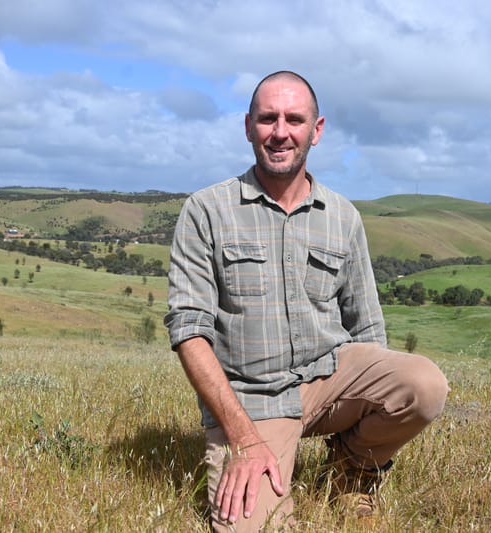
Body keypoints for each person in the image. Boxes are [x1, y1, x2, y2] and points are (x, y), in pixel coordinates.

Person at [164, 70, 449, 532]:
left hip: (328, 379)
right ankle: (268, 457)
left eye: (294, 119)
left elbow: (368, 331)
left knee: (423, 384)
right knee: (252, 528)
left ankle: (352, 471)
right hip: (253, 403)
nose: (280, 132)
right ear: (247, 126)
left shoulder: (342, 216)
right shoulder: (206, 211)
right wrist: (242, 438)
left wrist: (371, 409)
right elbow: (189, 333)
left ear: (316, 130)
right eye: (267, 118)